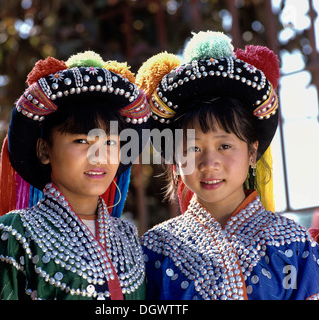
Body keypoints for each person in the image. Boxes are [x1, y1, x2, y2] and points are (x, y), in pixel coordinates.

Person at [136, 30, 319, 300]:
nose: (209, 163)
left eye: (225, 146)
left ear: (252, 153)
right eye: (193, 148)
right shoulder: (155, 250)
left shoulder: (295, 243)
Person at [0, 51, 150, 300]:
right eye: (81, 140)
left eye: (110, 142)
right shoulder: (11, 234)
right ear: (44, 150)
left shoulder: (128, 237)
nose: (99, 157)